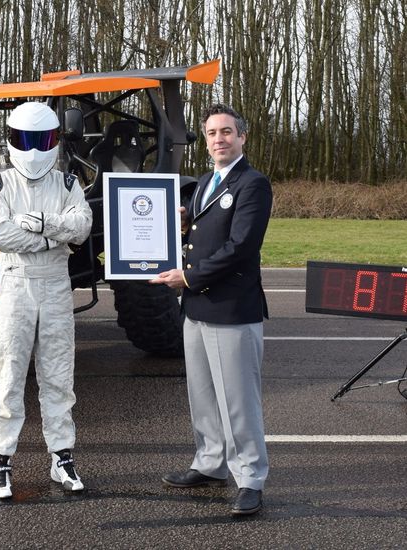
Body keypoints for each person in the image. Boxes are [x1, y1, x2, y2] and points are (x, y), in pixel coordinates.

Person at [151, 103, 272, 516]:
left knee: (238, 400)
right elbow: (202, 234)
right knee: (202, 395)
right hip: (198, 307)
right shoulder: (205, 182)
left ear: (242, 137)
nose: (219, 139)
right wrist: (182, 224)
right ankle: (210, 462)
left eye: (226, 132)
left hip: (232, 309)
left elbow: (240, 247)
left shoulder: (253, 184)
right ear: (205, 141)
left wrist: (185, 278)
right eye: (212, 133)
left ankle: (251, 477)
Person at [0, 101, 92, 499]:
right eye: (24, 140)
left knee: (59, 374)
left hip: (56, 286)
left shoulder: (67, 184)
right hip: (15, 285)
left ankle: (62, 455)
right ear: (10, 140)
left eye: (40, 140)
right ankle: (0, 459)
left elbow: (81, 226)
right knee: (8, 374)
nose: (32, 148)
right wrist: (52, 240)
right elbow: (0, 236)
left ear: (54, 140)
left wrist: (47, 226)